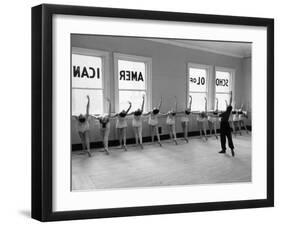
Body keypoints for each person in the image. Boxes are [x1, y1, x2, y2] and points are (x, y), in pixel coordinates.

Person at [218, 91, 235, 157]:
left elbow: (218, 116)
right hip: (227, 125)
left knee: (222, 138)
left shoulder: (224, 113)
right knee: (229, 137)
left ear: (227, 108)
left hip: (223, 125)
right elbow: (230, 102)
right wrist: (231, 95)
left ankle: (223, 149)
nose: (227, 105)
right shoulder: (229, 112)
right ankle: (232, 149)